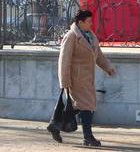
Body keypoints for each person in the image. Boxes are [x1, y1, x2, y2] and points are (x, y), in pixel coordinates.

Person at [48, 9, 116, 147]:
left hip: (87, 78)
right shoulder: (71, 36)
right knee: (87, 106)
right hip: (76, 79)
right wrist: (65, 82)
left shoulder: (90, 36)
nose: (91, 23)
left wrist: (108, 67)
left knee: (81, 106)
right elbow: (64, 60)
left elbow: (99, 56)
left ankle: (55, 125)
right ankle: (88, 137)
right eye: (89, 21)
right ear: (80, 22)